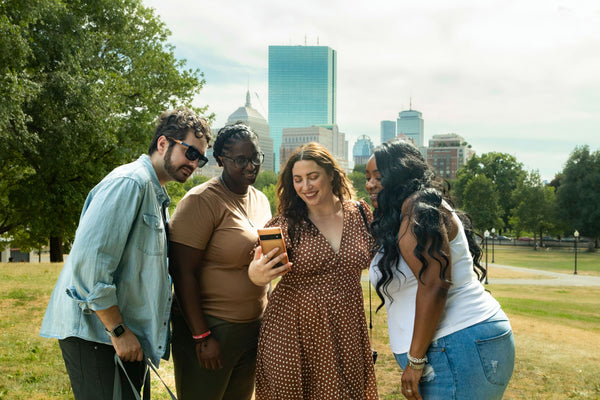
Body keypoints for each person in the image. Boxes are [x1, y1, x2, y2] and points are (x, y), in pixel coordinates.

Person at [40, 108, 212, 399]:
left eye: (201, 158)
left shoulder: (154, 192)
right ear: (163, 144)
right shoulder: (130, 183)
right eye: (191, 153)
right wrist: (118, 330)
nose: (195, 163)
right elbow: (89, 265)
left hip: (121, 338)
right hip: (98, 335)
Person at [366, 138, 515, 400]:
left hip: (455, 345)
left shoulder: (417, 209)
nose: (369, 184)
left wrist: (415, 361)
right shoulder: (413, 209)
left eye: (378, 177)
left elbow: (435, 285)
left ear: (400, 174)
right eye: (367, 177)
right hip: (459, 346)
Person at [248, 142, 378, 400]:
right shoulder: (286, 224)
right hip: (292, 332)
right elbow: (257, 266)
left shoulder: (360, 214)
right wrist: (257, 273)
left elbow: (380, 258)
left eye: (312, 177)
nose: (305, 186)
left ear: (331, 174)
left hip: (346, 330)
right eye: (297, 180)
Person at [168, 123, 275, 400]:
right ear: (220, 161)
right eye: (241, 160)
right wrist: (202, 337)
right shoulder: (202, 201)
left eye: (256, 158)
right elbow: (182, 273)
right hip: (212, 328)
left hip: (252, 328)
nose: (251, 166)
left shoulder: (260, 199)